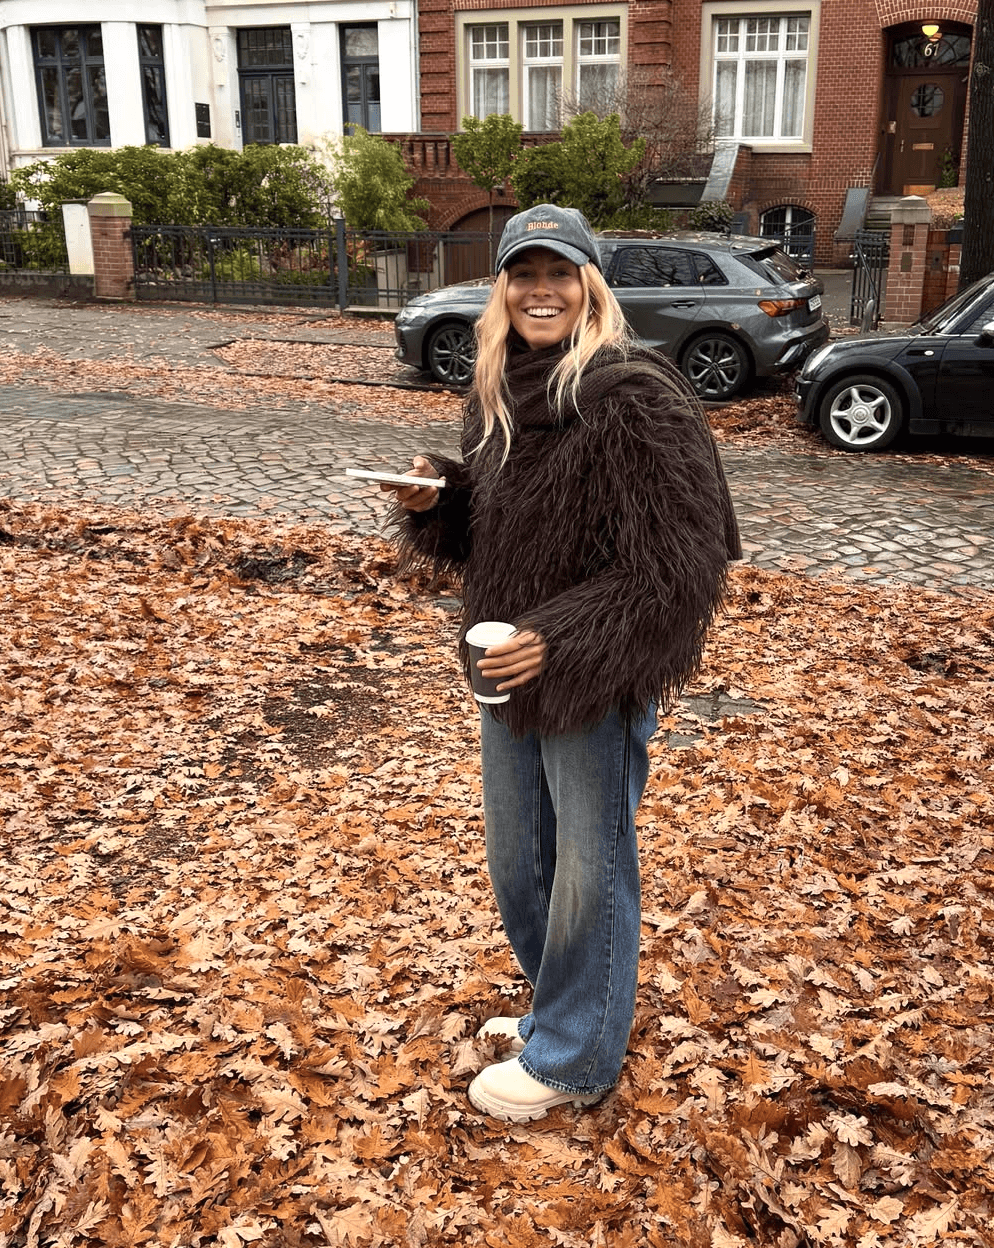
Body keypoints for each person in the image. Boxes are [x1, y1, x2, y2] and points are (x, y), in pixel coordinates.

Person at [381, 204, 740, 1123]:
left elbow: (681, 567)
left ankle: (576, 1058)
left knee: (589, 868)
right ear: (501, 289)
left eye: (560, 274)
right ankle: (561, 1010)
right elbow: (494, 538)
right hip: (506, 668)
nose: (541, 291)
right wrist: (436, 502)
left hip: (589, 675)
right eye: (524, 274)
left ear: (590, 286)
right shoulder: (498, 391)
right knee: (521, 863)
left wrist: (563, 637)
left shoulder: (634, 397)